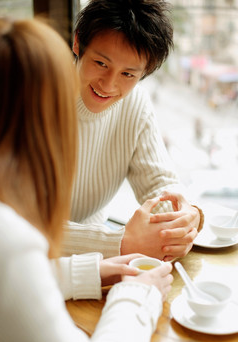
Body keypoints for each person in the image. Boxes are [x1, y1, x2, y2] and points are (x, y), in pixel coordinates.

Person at [0, 17, 173, 342]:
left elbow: (19, 278)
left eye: (129, 73)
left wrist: (90, 271)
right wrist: (136, 294)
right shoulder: (12, 240)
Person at [62, 0, 204, 262]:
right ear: (77, 42)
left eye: (128, 74)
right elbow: (18, 225)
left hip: (97, 254)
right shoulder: (36, 96)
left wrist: (181, 218)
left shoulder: (135, 103)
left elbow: (159, 183)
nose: (109, 84)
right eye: (101, 63)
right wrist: (121, 244)